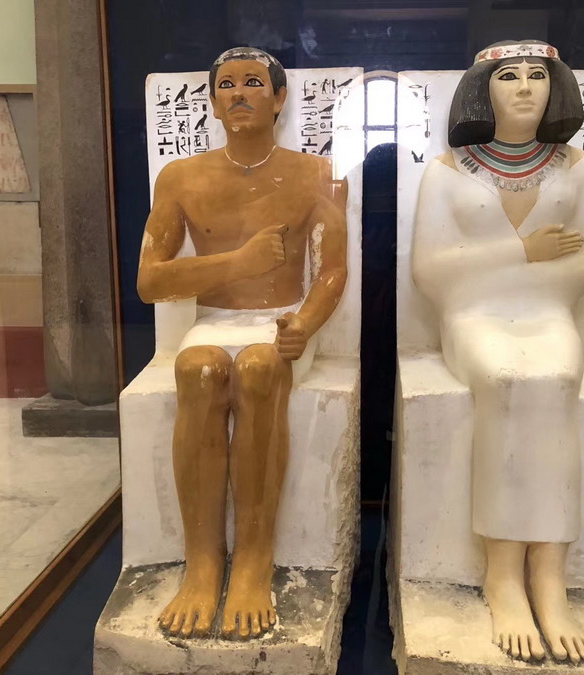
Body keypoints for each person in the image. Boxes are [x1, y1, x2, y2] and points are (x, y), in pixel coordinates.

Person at [137, 47, 348, 640]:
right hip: (215, 319)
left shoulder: (318, 173)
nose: (238, 94)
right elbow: (150, 282)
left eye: (253, 82)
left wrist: (304, 323)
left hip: (281, 322)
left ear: (279, 99)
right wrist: (238, 262)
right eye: (226, 85)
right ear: (211, 102)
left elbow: (332, 270)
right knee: (198, 370)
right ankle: (202, 561)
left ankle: (254, 559)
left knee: (259, 369)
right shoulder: (180, 178)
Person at [412, 40, 584, 663]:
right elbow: (432, 271)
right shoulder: (447, 170)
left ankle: (549, 576)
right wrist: (521, 252)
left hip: (548, 313)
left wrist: (520, 277)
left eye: (537, 75)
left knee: (555, 379)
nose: (524, 87)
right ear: (483, 90)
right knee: (505, 378)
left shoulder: (577, 167)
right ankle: (502, 573)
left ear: (556, 86)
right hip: (471, 317)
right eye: (509, 76)